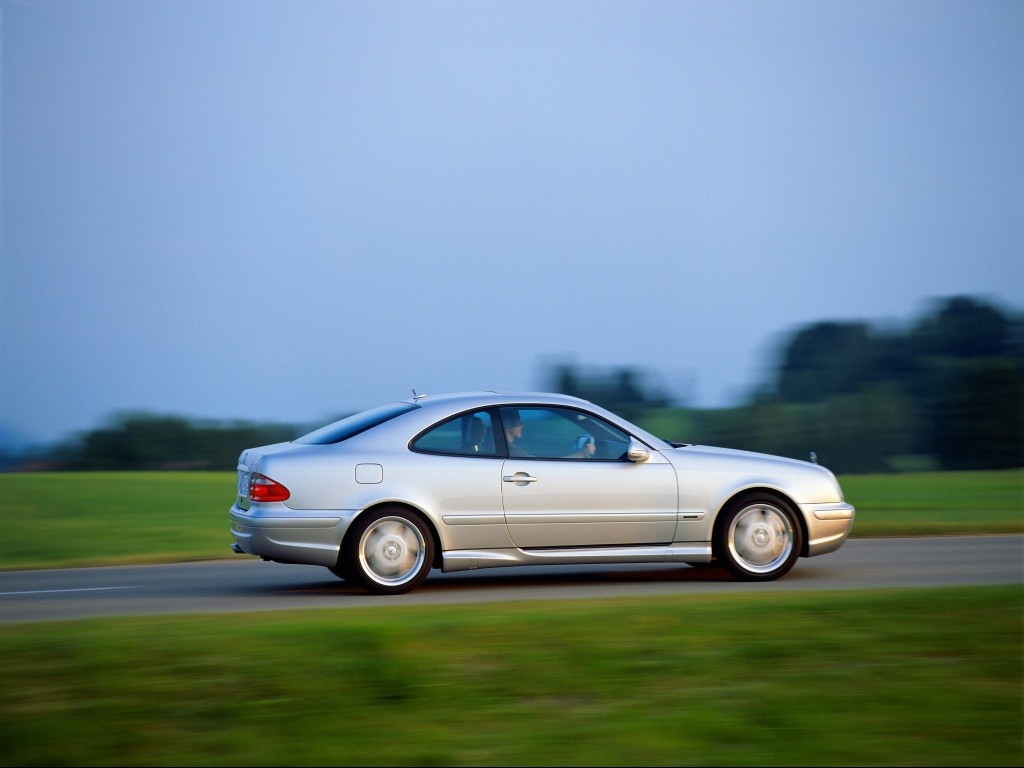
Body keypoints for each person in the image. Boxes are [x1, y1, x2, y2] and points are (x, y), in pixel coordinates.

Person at [504, 411, 596, 458]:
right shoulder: (512, 451)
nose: (522, 425)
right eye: (518, 421)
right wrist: (583, 453)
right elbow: (542, 467)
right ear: (507, 424)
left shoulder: (505, 449)